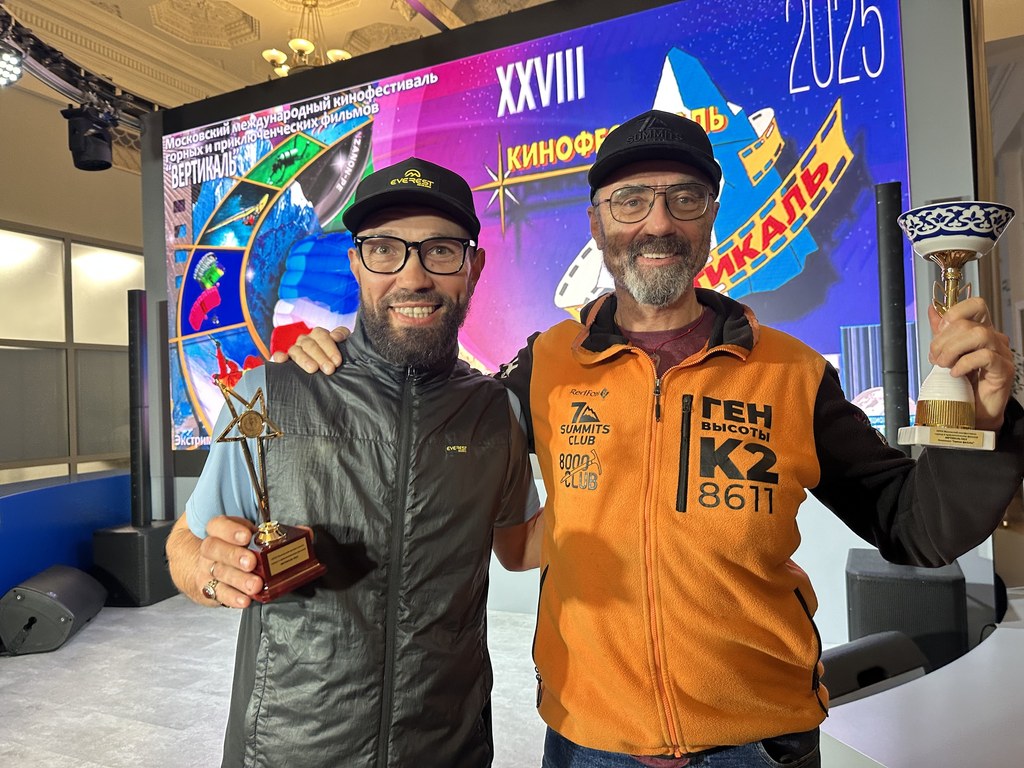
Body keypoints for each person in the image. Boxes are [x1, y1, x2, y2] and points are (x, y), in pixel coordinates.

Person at [283, 111, 1024, 767]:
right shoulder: (544, 365)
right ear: (598, 223)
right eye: (630, 200)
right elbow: (432, 415)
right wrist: (349, 361)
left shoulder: (793, 373)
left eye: (684, 198)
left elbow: (915, 526)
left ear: (712, 217)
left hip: (761, 744)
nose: (658, 223)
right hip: (588, 743)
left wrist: (988, 424)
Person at [166, 156, 542, 768]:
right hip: (287, 750)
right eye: (384, 250)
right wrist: (212, 573)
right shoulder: (267, 391)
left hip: (447, 748)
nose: (413, 277)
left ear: (472, 267)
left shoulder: (496, 412)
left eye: (440, 251)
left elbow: (520, 547)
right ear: (356, 263)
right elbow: (186, 542)